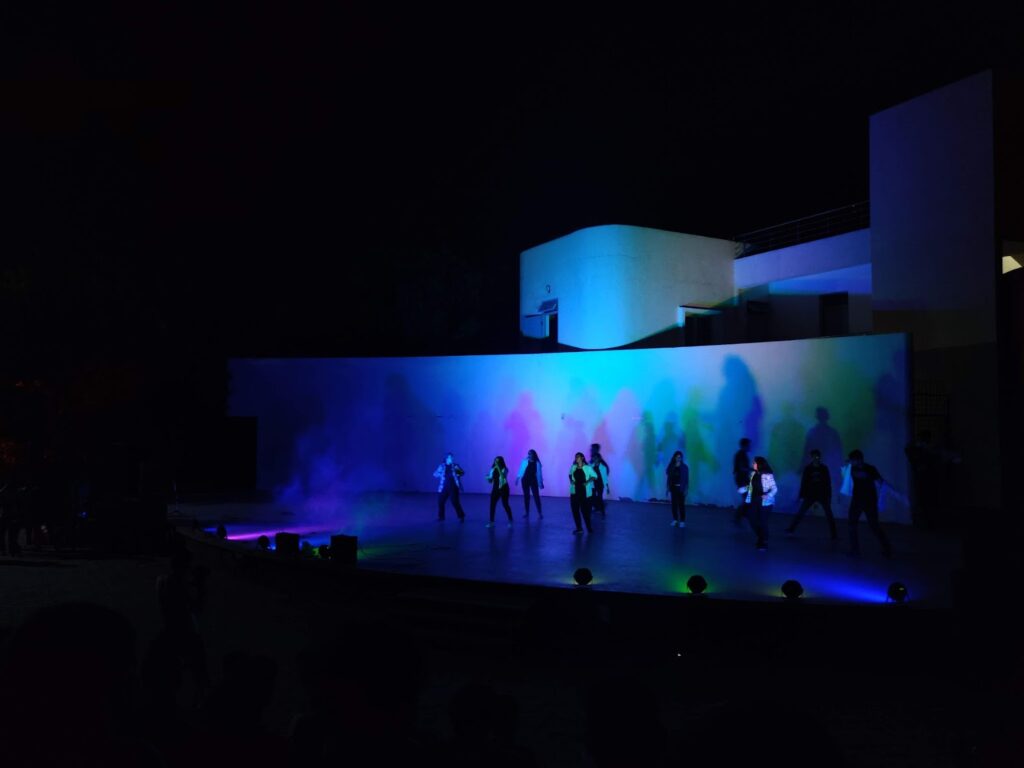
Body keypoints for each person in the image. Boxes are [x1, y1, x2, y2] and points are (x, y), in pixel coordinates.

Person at [845, 449, 892, 558]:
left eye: (853, 460)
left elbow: (880, 481)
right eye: (851, 460)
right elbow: (846, 475)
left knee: (874, 526)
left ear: (859, 460)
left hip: (869, 501)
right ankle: (854, 550)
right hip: (856, 500)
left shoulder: (870, 469)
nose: (851, 462)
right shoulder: (852, 468)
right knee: (852, 524)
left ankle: (887, 548)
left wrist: (885, 491)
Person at [786, 449, 837, 539]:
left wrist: (829, 495)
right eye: (814, 457)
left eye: (817, 457)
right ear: (812, 457)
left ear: (819, 457)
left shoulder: (824, 468)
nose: (816, 458)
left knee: (829, 514)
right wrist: (801, 495)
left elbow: (827, 483)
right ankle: (791, 529)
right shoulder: (808, 468)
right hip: (811, 494)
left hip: (822, 494)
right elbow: (804, 482)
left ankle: (834, 534)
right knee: (801, 512)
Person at [740, 456, 777, 550]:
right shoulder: (753, 474)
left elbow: (775, 489)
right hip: (755, 500)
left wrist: (768, 495)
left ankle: (764, 541)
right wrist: (744, 488)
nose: (753, 464)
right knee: (751, 518)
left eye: (754, 463)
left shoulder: (768, 475)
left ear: (759, 464)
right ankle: (761, 537)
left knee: (763, 522)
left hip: (766, 502)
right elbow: (751, 487)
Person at [569, 452, 599, 534]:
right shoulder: (573, 467)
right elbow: (570, 474)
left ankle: (589, 528)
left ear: (582, 458)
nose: (576, 458)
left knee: (585, 512)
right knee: (575, 511)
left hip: (584, 492)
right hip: (574, 492)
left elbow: (595, 476)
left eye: (578, 457)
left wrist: (587, 482)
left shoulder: (587, 468)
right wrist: (571, 481)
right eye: (576, 457)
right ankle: (579, 528)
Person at [433, 453, 466, 521]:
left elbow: (462, 473)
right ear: (447, 459)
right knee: (441, 501)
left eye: (452, 458)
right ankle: (441, 517)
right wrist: (440, 474)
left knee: (455, 502)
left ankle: (461, 516)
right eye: (450, 458)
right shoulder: (442, 466)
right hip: (444, 487)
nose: (452, 459)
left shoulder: (455, 466)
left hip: (453, 486)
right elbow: (435, 474)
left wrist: (457, 472)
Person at [515, 449, 544, 518]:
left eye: (531, 454)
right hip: (525, 480)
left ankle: (539, 513)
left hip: (533, 480)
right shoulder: (525, 461)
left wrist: (540, 483)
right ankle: (526, 512)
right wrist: (517, 478)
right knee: (526, 496)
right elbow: (521, 470)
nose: (529, 455)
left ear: (534, 454)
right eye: (528, 453)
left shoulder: (537, 463)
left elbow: (539, 474)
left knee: (536, 496)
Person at [485, 456, 513, 528]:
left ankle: (510, 521)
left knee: (505, 504)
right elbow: (491, 481)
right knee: (492, 505)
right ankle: (491, 522)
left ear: (501, 461)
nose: (496, 462)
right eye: (495, 461)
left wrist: (498, 467)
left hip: (504, 488)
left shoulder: (505, 469)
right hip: (495, 489)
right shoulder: (492, 469)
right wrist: (488, 478)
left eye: (497, 461)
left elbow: (503, 477)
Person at [732, 437, 752, 525]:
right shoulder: (740, 455)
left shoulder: (741, 454)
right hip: (741, 480)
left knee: (748, 498)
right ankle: (739, 516)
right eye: (748, 445)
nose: (749, 447)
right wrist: (752, 469)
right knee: (747, 498)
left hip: (743, 480)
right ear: (745, 445)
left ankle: (741, 515)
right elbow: (741, 468)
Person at [666, 451, 689, 528]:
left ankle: (682, 521)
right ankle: (675, 520)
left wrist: (686, 489)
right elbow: (668, 475)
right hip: (673, 488)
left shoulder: (685, 467)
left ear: (681, 458)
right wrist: (668, 487)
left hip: (681, 488)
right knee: (674, 505)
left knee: (681, 505)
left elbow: (686, 480)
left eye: (680, 457)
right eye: (677, 457)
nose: (679, 458)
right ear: (675, 457)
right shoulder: (672, 466)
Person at [589, 443, 610, 517]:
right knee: (593, 495)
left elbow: (605, 469)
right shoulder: (593, 458)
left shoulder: (598, 459)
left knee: (598, 496)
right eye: (591, 449)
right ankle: (598, 508)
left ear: (596, 450)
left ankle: (601, 509)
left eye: (592, 449)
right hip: (594, 482)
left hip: (598, 483)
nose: (590, 450)